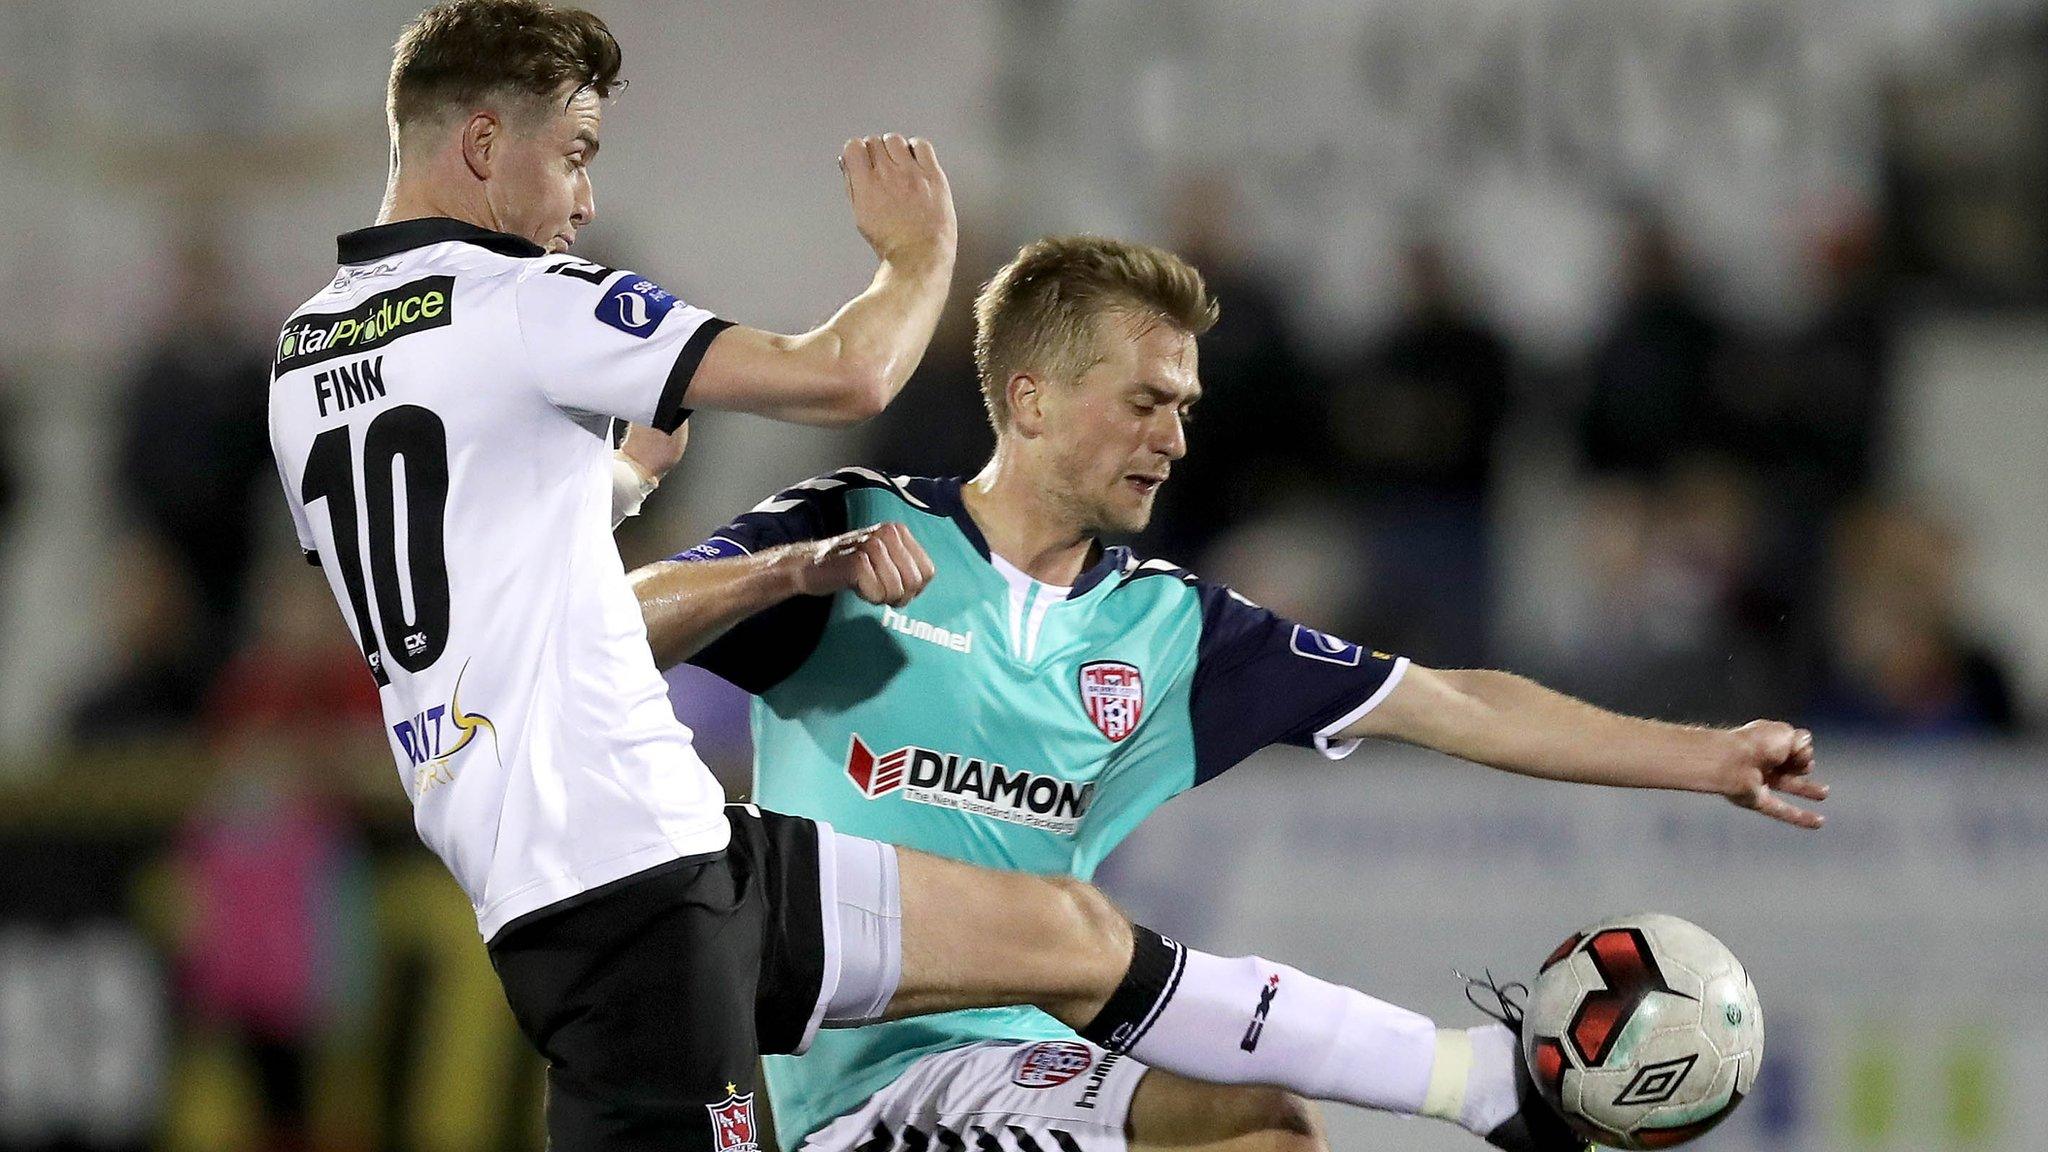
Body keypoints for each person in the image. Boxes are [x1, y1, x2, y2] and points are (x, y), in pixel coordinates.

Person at [267, 5, 1610, 1149]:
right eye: (573, 156)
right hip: (623, 899)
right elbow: (842, 373)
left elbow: (454, 570)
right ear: (483, 145)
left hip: (662, 853)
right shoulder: (520, 299)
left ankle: (1487, 1085)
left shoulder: (304, 356)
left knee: (1072, 938)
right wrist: (918, 259)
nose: (585, 202)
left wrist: (615, 486)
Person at [631, 235, 1830, 1152]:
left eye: (1186, 408)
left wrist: (1705, 757)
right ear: (1033, 397)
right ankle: (1474, 1083)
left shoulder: (1168, 624)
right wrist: (778, 575)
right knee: (1097, 960)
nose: (1175, 438)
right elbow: (611, 628)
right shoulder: (854, 528)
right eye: (1144, 401)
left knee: (1261, 1123)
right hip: (843, 1083)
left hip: (1025, 1050)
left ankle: (1475, 1086)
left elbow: (1450, 703)